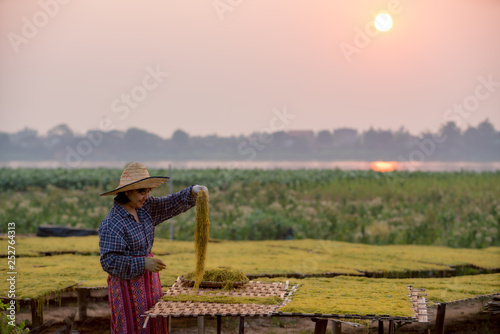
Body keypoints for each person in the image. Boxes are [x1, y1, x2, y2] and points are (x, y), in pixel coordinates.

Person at [98, 162, 207, 333]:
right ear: (127, 191)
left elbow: (169, 203)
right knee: (132, 327)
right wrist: (143, 263)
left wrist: (192, 191)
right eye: (142, 192)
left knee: (154, 324)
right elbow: (109, 262)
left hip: (149, 283)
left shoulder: (145, 208)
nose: (146, 196)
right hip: (127, 289)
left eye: (148, 191)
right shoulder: (113, 223)